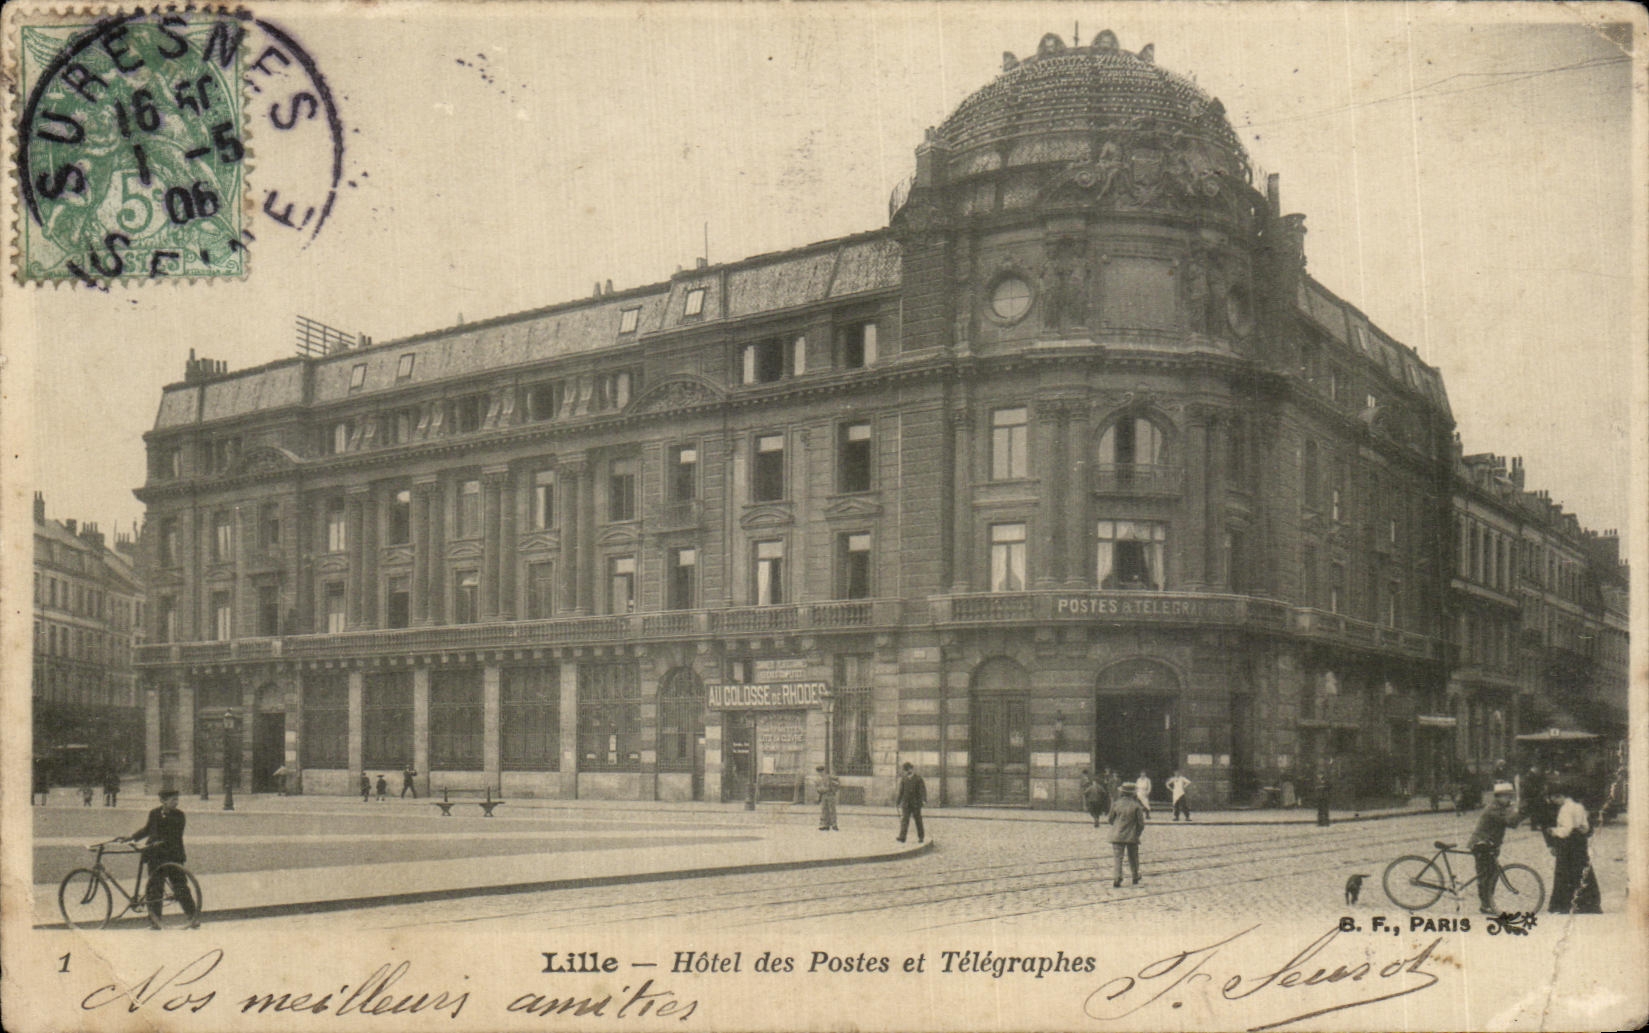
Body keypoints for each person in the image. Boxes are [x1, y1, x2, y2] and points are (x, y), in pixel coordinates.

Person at [121, 788, 199, 930]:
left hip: (173, 855)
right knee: (155, 888)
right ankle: (155, 921)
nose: (176, 802)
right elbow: (147, 829)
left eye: (177, 800)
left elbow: (175, 833)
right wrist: (132, 837)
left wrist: (160, 841)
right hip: (155, 856)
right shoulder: (154, 813)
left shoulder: (179, 815)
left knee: (180, 887)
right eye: (172, 800)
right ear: (163, 801)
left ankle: (192, 917)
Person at [1467, 781, 1524, 914]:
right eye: (1507, 796)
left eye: (1510, 796)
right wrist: (1518, 810)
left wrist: (1518, 811)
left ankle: (1488, 903)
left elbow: (1512, 822)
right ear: (1498, 796)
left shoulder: (1500, 808)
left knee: (1491, 874)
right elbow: (1510, 822)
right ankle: (1485, 905)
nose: (1509, 799)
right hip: (1481, 844)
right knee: (1486, 876)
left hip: (1490, 845)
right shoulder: (1493, 808)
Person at [1546, 782, 1601, 913]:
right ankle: (1589, 904)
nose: (1553, 801)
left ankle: (1565, 905)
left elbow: (1566, 830)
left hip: (1568, 845)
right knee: (1583, 872)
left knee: (1565, 874)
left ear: (1558, 796)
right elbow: (1586, 827)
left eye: (1553, 798)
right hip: (1580, 843)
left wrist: (1553, 831)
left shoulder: (1565, 809)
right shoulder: (1579, 806)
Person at [1107, 781, 1147, 887]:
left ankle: (1117, 878)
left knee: (1118, 857)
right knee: (1133, 857)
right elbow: (1141, 824)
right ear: (1133, 793)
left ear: (1122, 793)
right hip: (1132, 835)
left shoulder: (1116, 804)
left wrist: (1117, 826)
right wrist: (1137, 834)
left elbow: (1110, 819)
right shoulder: (1136, 806)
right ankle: (1135, 876)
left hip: (1117, 835)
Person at [895, 762, 926, 843]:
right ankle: (902, 837)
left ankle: (921, 837)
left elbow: (922, 790)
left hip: (916, 803)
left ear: (911, 769)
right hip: (906, 803)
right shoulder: (904, 779)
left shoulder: (918, 779)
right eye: (905, 770)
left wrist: (923, 800)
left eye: (908, 769)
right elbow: (901, 791)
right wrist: (898, 801)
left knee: (918, 820)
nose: (906, 771)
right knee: (904, 820)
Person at [815, 766, 840, 831]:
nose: (820, 773)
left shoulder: (830, 777)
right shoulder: (818, 779)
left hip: (830, 795)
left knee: (832, 810)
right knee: (824, 810)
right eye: (819, 772)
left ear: (824, 771)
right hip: (823, 796)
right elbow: (817, 787)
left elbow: (836, 784)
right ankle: (825, 825)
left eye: (821, 772)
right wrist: (821, 790)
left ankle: (834, 825)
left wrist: (832, 790)